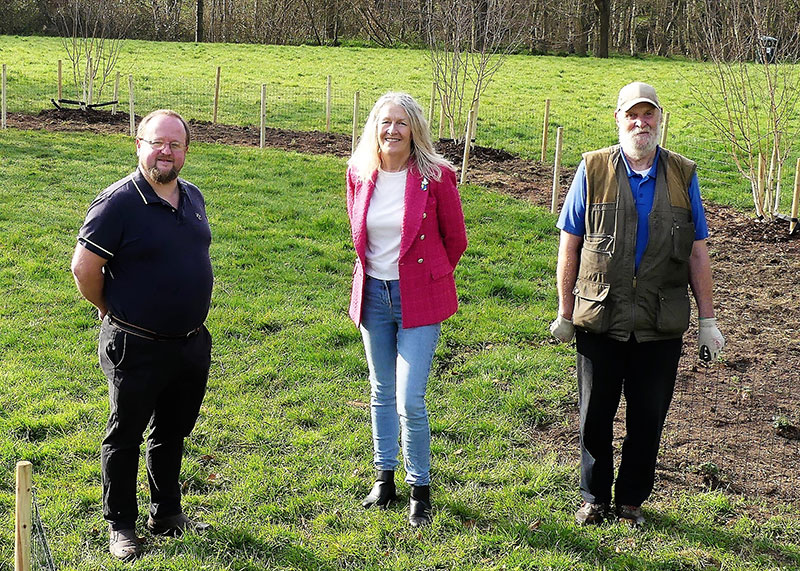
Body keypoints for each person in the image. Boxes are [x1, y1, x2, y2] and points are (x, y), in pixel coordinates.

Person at [549, 82, 726, 527]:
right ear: (618, 119)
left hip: (658, 321)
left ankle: (630, 500)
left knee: (648, 418)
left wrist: (708, 319)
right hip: (599, 317)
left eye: (649, 115)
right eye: (633, 114)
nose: (640, 123)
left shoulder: (683, 174)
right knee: (595, 416)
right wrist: (565, 312)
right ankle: (594, 496)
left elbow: (698, 251)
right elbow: (569, 244)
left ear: (659, 120)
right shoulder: (592, 169)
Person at [71, 109, 213, 560]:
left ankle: (166, 512)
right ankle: (121, 525)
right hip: (135, 343)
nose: (165, 152)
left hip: (190, 342)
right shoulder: (117, 203)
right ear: (139, 146)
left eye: (175, 144)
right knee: (125, 434)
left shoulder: (191, 196)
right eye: (157, 143)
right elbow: (84, 268)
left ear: (186, 151)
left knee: (172, 431)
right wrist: (108, 309)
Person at [346, 92, 467, 527]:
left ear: (414, 128)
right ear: (374, 128)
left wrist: (428, 278)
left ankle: (421, 488)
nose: (392, 130)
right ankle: (384, 478)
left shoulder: (436, 177)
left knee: (410, 398)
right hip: (373, 295)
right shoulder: (360, 173)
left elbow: (456, 240)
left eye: (401, 122)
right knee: (381, 391)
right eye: (385, 122)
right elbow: (358, 234)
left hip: (420, 298)